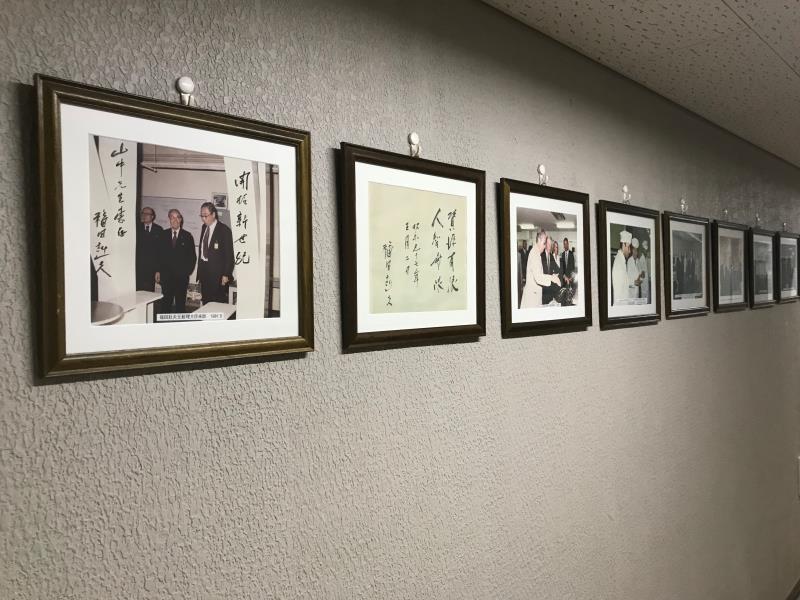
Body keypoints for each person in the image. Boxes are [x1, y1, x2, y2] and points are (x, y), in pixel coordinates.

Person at [156, 209, 196, 314]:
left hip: (181, 278)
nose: (175, 220)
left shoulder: (187, 236)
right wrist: (158, 271)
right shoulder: (163, 235)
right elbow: (158, 255)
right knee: (165, 304)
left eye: (177, 217)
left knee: (180, 305)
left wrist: (186, 272)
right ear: (169, 219)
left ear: (180, 219)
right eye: (172, 217)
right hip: (166, 277)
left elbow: (192, 257)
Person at [197, 201, 234, 305]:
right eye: (201, 216)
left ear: (213, 214)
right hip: (204, 272)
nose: (203, 219)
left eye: (205, 216)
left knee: (216, 303)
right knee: (206, 301)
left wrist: (226, 274)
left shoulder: (224, 230)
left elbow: (229, 255)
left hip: (218, 275)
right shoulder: (204, 227)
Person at [520, 230, 561, 308]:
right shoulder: (535, 254)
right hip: (532, 299)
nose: (545, 246)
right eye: (544, 243)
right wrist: (552, 278)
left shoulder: (536, 253)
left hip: (535, 296)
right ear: (539, 240)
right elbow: (538, 277)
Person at [135, 206, 163, 291]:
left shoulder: (159, 230)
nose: (144, 215)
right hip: (138, 268)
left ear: (152, 216)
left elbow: (160, 252)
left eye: (147, 214)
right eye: (142, 213)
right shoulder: (136, 228)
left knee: (149, 293)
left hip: (151, 270)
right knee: (137, 292)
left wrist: (158, 270)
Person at [611, 229, 636, 305]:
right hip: (621, 306)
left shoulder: (622, 261)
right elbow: (619, 295)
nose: (629, 251)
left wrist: (634, 283)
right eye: (628, 247)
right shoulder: (619, 263)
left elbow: (625, 285)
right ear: (624, 245)